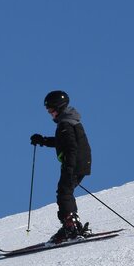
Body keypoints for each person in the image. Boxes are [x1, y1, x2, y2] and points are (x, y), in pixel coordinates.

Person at [30, 90, 93, 243]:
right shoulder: (69, 122)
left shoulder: (65, 123)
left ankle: (70, 227)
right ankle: (72, 224)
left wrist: (69, 167)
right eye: (48, 110)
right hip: (80, 162)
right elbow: (62, 142)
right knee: (66, 191)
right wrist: (43, 141)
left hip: (74, 163)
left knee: (64, 192)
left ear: (59, 107)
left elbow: (71, 147)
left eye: (51, 110)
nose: (50, 113)